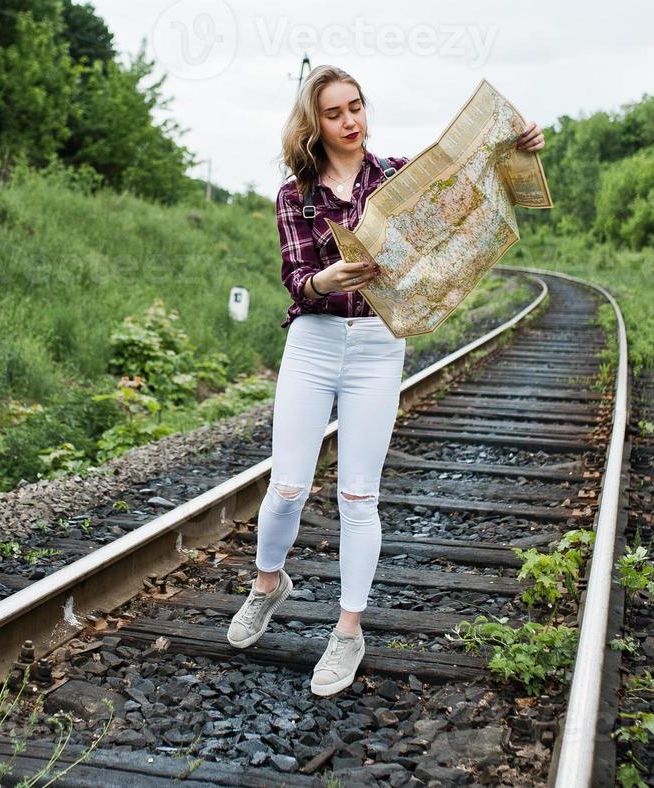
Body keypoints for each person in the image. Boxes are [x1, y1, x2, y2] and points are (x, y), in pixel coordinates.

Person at [225, 64, 546, 696]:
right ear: (313, 124)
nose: (350, 121)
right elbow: (295, 278)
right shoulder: (297, 195)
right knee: (287, 488)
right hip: (313, 342)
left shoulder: (397, 178)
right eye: (335, 113)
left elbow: (467, 188)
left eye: (357, 107)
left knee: (357, 497)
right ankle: (269, 582)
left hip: (375, 346)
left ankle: (348, 631)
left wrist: (516, 148)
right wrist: (325, 281)